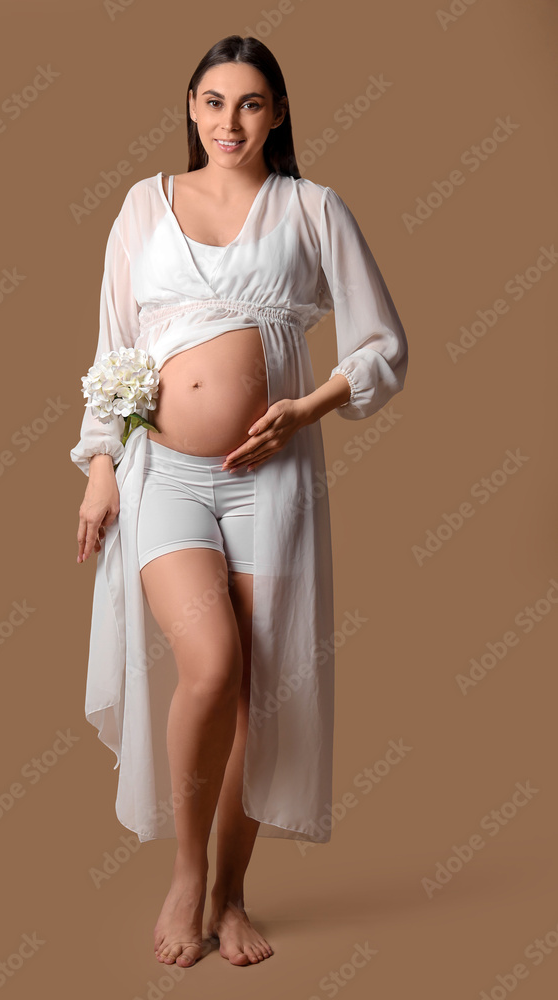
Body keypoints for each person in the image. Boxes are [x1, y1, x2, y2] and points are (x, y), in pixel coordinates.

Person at [70, 35, 408, 969]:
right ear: (189, 108)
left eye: (251, 104)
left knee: (260, 690)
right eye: (214, 102)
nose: (231, 122)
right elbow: (113, 347)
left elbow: (380, 344)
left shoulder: (309, 209)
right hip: (166, 476)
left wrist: (307, 407)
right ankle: (187, 873)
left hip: (273, 479)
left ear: (278, 114)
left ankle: (231, 891)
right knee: (210, 666)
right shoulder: (145, 205)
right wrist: (101, 464)